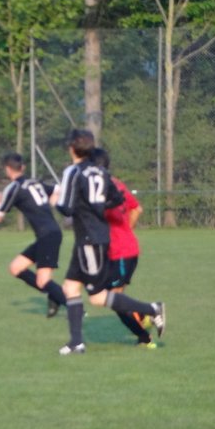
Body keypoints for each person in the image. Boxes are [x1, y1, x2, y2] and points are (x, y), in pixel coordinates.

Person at [55, 129, 166, 355]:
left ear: (72, 148)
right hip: (91, 239)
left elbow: (65, 208)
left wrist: (58, 200)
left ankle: (151, 309)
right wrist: (97, 207)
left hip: (90, 240)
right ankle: (76, 342)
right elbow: (117, 198)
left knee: (97, 297)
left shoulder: (73, 171)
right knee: (70, 287)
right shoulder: (100, 172)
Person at [91, 148, 155, 348]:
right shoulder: (116, 183)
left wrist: (123, 232)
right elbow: (137, 208)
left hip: (121, 251)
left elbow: (136, 209)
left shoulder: (102, 188)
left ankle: (147, 324)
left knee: (114, 299)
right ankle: (143, 318)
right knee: (109, 296)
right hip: (118, 250)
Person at [0, 153, 66, 317]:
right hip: (48, 234)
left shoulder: (13, 188)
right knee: (16, 268)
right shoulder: (34, 182)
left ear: (8, 169)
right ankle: (55, 295)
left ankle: (75, 306)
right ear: (22, 167)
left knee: (43, 280)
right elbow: (58, 190)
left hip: (48, 236)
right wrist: (50, 205)